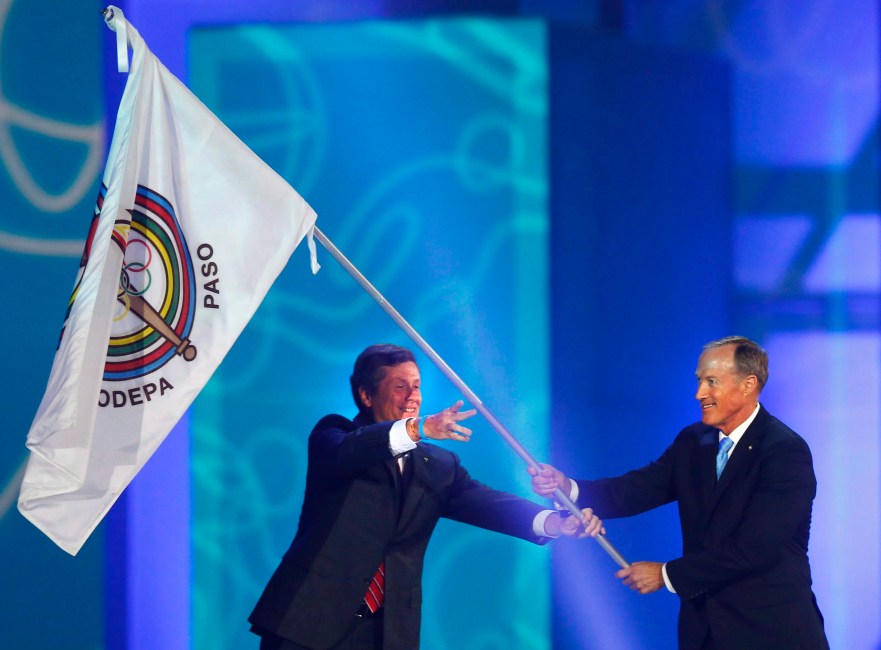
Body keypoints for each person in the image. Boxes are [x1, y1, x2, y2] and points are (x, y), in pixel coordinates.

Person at [250, 343, 603, 650]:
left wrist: (557, 522)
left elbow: (488, 504)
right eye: (400, 386)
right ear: (366, 395)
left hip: (387, 634)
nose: (412, 396)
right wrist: (420, 428)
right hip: (307, 624)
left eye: (416, 386)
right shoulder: (335, 435)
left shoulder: (438, 465)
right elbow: (354, 451)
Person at [530, 336, 828, 650]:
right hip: (704, 633)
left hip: (770, 633)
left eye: (712, 382)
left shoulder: (783, 451)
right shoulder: (693, 442)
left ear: (748, 384)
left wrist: (666, 574)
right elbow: (635, 490)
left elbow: (753, 549)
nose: (700, 393)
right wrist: (570, 488)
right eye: (700, 381)